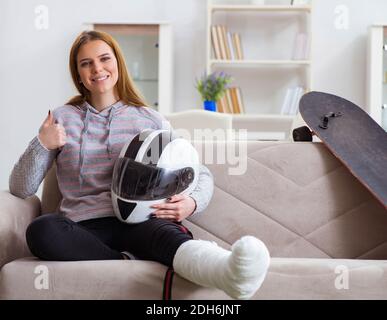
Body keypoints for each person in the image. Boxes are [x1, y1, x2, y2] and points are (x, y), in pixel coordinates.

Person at [9, 30, 270, 300]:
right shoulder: (62, 118)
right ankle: (122, 261)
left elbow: (199, 172)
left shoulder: (149, 118)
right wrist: (42, 143)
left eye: (104, 59)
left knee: (168, 237)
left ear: (118, 63)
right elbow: (20, 188)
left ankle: (229, 273)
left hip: (142, 222)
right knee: (41, 230)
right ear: (78, 74)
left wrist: (191, 202)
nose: (97, 68)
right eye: (86, 63)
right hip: (83, 228)